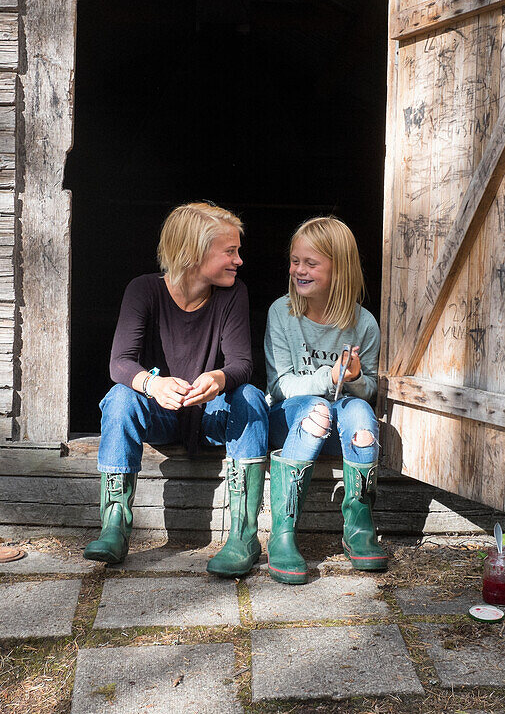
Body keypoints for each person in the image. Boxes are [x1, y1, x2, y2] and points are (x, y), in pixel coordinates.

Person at [86, 202, 269, 577]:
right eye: (230, 251)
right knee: (120, 396)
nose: (239, 260)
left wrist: (218, 379)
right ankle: (114, 526)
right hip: (162, 413)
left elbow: (241, 364)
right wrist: (153, 384)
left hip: (212, 414)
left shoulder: (233, 294)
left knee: (249, 396)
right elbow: (119, 362)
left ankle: (243, 536)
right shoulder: (143, 290)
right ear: (193, 254)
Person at [263, 216, 387, 585]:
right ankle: (282, 533)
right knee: (316, 408)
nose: (298, 270)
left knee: (363, 415)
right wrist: (328, 377)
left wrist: (353, 379)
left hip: (340, 422)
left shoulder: (363, 324)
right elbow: (280, 385)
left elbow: (372, 390)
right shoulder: (281, 313)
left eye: (310, 263)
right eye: (295, 260)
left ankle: (359, 524)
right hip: (289, 419)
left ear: (340, 268)